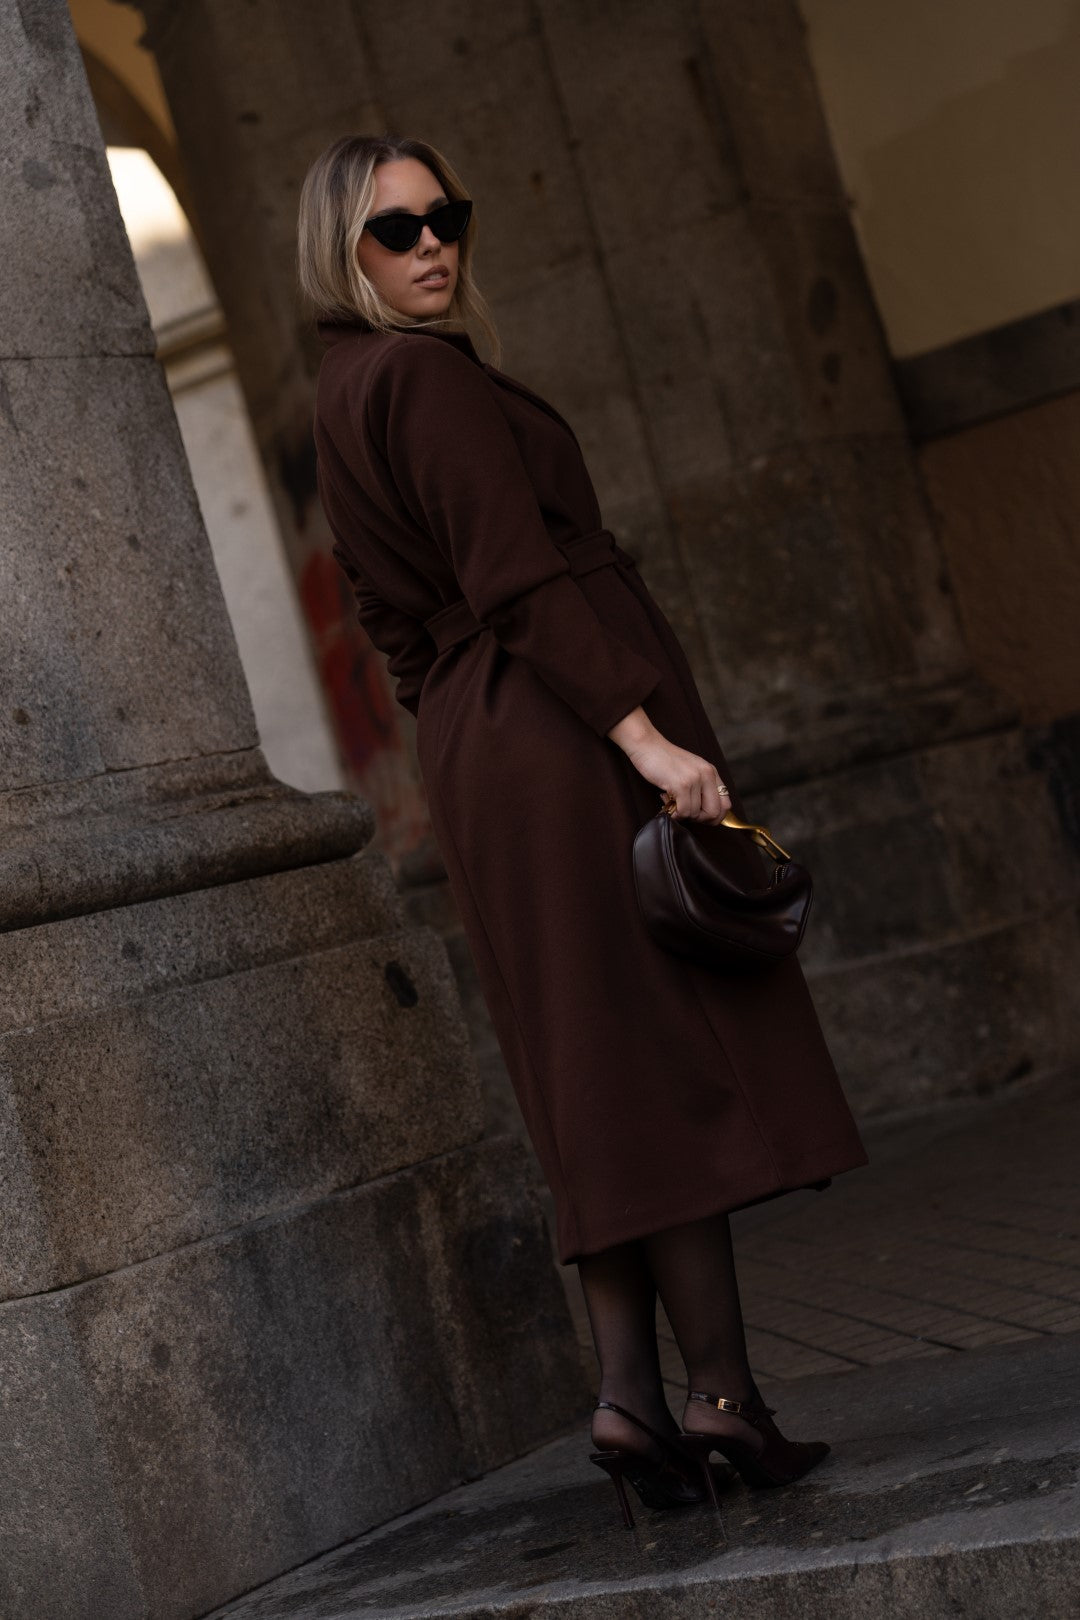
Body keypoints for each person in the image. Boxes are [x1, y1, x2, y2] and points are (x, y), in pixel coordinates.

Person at [297, 133, 870, 1530]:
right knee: (660, 1063)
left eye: (446, 216)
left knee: (596, 1078)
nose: (433, 244)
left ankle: (631, 1400)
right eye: (396, 230)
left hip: (490, 751)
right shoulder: (423, 378)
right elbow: (520, 577)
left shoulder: (342, 392)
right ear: (340, 249)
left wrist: (468, 724)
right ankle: (720, 1397)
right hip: (564, 740)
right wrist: (642, 736)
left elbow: (393, 626)